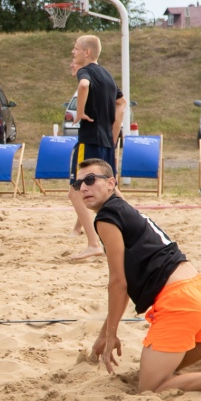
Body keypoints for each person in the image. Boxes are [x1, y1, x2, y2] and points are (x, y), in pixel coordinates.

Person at [77, 158, 201, 399]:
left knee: (151, 386)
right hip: (198, 289)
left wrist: (110, 334)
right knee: (165, 364)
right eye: (78, 183)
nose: (83, 188)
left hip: (178, 301)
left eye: (90, 180)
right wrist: (104, 332)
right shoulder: (123, 208)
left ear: (111, 183)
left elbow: (118, 283)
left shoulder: (106, 218)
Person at [66, 35, 127, 260]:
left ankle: (93, 244)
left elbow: (83, 85)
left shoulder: (87, 71)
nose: (73, 52)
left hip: (89, 139)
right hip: (105, 143)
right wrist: (113, 129)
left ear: (87, 53)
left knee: (76, 192)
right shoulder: (108, 76)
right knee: (109, 190)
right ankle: (134, 223)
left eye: (76, 49)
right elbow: (122, 103)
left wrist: (80, 111)